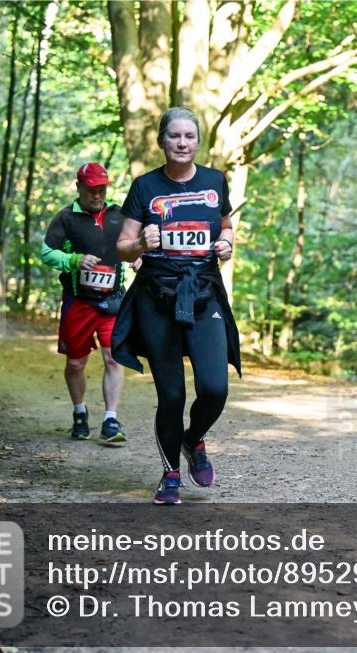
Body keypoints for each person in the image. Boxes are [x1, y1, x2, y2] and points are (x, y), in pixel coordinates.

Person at [113, 107, 241, 505]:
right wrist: (139, 245)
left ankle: (193, 440)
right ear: (162, 141)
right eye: (175, 136)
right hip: (158, 300)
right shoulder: (144, 186)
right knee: (171, 396)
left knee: (215, 388)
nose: (182, 143)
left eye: (189, 136)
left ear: (197, 142)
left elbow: (225, 225)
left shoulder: (214, 180)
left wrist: (227, 245)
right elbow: (121, 247)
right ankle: (170, 473)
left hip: (204, 296)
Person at [42, 162, 128, 444]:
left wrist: (137, 255)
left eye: (101, 190)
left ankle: (111, 420)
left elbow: (131, 243)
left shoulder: (118, 215)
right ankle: (80, 412)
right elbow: (46, 253)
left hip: (113, 301)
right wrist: (74, 261)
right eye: (91, 190)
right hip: (78, 302)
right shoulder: (66, 218)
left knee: (113, 357)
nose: (96, 196)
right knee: (76, 363)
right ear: (78, 188)